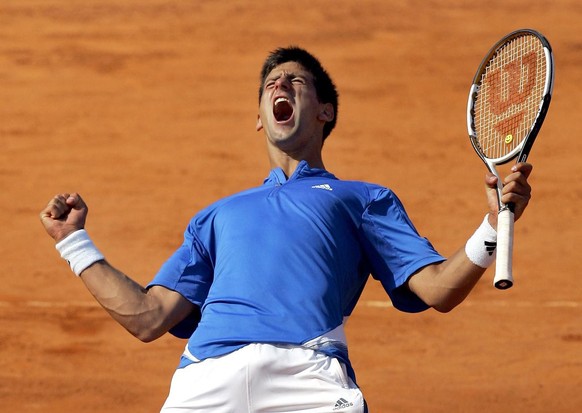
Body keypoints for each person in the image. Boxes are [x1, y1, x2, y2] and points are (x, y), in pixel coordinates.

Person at [39, 46, 532, 413]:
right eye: (271, 84)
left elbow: (438, 289)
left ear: (325, 112)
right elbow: (148, 317)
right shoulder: (216, 216)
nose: (280, 87)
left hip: (309, 377)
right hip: (205, 381)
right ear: (259, 118)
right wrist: (74, 243)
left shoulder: (362, 198)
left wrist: (493, 225)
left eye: (295, 81)